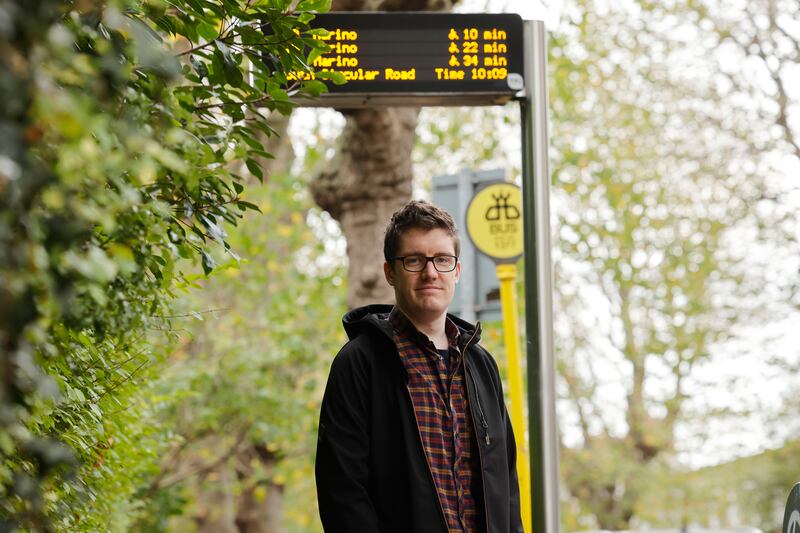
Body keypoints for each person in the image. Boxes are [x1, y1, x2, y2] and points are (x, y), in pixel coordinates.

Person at [315, 200, 523, 533]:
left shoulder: (480, 365)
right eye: (414, 260)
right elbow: (342, 490)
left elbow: (506, 483)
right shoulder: (359, 362)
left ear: (456, 270)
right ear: (390, 272)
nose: (430, 272)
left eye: (442, 260)